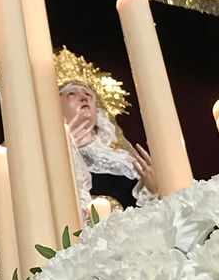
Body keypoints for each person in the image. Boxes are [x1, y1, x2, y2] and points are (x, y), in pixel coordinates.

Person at [59, 74, 158, 214]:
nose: (84, 97)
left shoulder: (125, 160)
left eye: (88, 94)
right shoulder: (52, 159)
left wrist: (155, 190)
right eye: (71, 94)